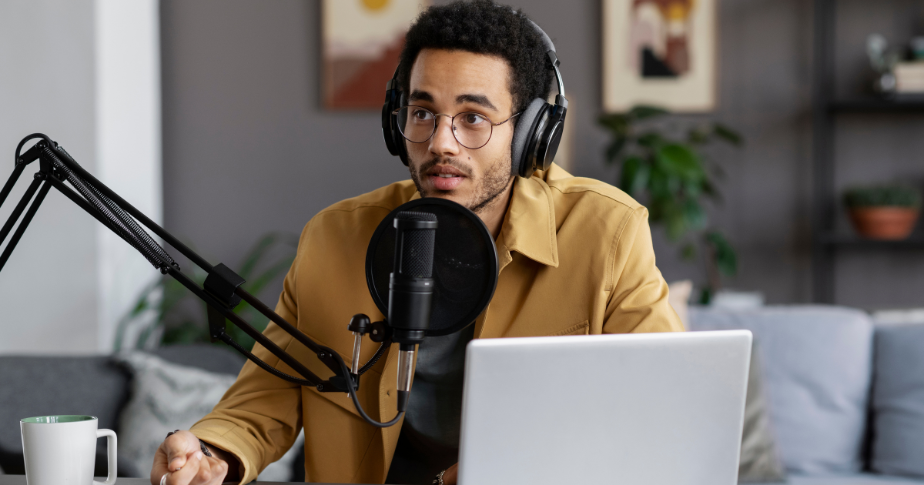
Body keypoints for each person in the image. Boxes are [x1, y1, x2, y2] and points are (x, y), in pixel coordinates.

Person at [150, 2, 683, 485]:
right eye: (423, 112)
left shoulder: (605, 231)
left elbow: (667, 406)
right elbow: (267, 397)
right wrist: (215, 454)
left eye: (473, 117)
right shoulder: (334, 238)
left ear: (528, 135)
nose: (441, 143)